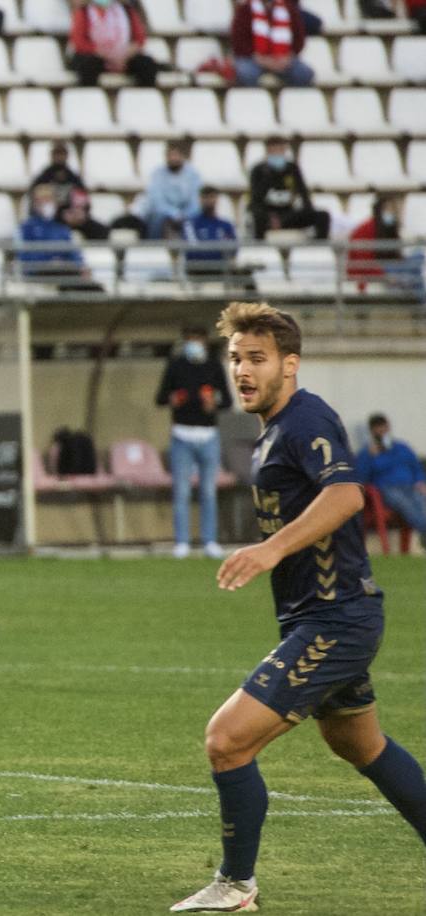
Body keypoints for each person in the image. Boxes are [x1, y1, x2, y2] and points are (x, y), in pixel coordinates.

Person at [170, 301, 426, 912]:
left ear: (291, 364)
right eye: (236, 358)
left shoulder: (305, 419)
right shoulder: (270, 433)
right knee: (360, 745)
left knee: (226, 740)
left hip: (336, 621)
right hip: (325, 616)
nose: (243, 371)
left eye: (257, 358)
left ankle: (235, 885)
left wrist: (268, 550)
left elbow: (346, 496)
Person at [155, 325, 232, 559]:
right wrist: (174, 399)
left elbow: (227, 400)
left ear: (205, 342)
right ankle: (182, 542)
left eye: (197, 340)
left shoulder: (213, 366)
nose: (194, 344)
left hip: (208, 435)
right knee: (182, 491)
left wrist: (214, 403)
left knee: (208, 491)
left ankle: (210, 540)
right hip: (182, 435)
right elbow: (160, 398)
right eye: (190, 340)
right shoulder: (176, 365)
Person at [355, 413, 426, 545]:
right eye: (378, 429)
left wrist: (421, 481)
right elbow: (362, 478)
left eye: (384, 428)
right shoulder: (366, 453)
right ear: (372, 431)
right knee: (405, 504)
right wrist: (370, 458)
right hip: (387, 489)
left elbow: (416, 467)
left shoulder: (402, 447)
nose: (382, 432)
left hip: (410, 486)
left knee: (421, 501)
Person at [346, 194, 425, 303]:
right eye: (388, 209)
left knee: (418, 256)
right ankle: (419, 305)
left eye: (393, 209)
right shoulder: (366, 229)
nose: (392, 213)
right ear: (379, 210)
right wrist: (384, 276)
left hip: (389, 266)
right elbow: (363, 263)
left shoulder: (389, 228)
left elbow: (396, 255)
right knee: (415, 273)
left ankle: (409, 290)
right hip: (377, 269)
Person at [248, 137, 329, 240]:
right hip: (267, 216)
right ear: (267, 152)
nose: (278, 153)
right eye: (274, 150)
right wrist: (270, 217)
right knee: (257, 218)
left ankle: (319, 248)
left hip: (288, 215)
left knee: (322, 216)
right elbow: (255, 201)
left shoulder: (292, 169)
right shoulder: (258, 170)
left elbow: (304, 196)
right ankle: (260, 248)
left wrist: (285, 219)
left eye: (280, 150)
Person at [68, 0, 158, 88]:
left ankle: (142, 99)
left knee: (146, 65)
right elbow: (79, 41)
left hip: (124, 56)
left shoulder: (127, 11)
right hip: (96, 56)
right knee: (88, 66)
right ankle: (90, 99)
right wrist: (106, 54)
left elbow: (139, 39)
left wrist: (125, 54)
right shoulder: (84, 12)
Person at [17, 183, 90, 288]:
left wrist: (80, 266)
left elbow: (73, 252)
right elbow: (25, 256)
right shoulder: (27, 228)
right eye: (42, 200)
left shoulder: (61, 228)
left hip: (64, 271)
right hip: (39, 273)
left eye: (49, 200)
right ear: (35, 203)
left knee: (88, 284)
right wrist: (49, 262)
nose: (46, 203)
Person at [230, 0, 315, 87]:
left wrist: (288, 57)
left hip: (283, 59)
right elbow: (239, 41)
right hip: (253, 58)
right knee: (247, 74)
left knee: (303, 73)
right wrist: (260, 58)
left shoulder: (289, 9)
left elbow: (298, 39)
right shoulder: (245, 10)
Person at [146, 140, 202, 240]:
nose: (173, 158)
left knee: (196, 217)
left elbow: (196, 200)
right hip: (165, 214)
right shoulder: (157, 174)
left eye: (176, 155)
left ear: (182, 156)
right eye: (170, 155)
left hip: (187, 213)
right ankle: (156, 247)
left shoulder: (193, 174)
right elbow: (157, 201)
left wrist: (184, 215)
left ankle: (194, 250)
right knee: (155, 217)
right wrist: (174, 213)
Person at [182, 185, 239, 277]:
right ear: (200, 199)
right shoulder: (191, 224)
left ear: (217, 199)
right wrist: (217, 250)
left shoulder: (225, 225)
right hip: (198, 270)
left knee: (245, 276)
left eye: (212, 197)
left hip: (222, 268)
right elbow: (191, 251)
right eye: (205, 197)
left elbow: (233, 249)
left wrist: (211, 249)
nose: (209, 201)